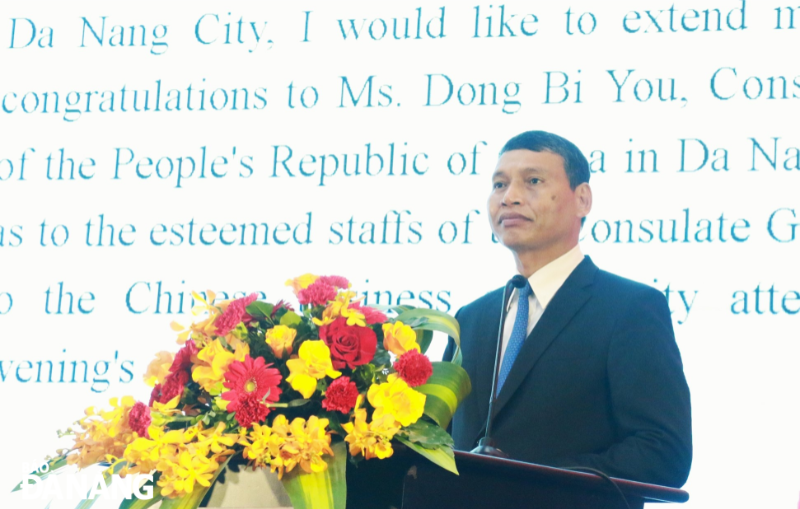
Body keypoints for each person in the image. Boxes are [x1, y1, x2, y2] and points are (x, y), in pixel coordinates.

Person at [444, 130, 692, 488]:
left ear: (583, 200)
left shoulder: (630, 309)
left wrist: (529, 482)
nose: (509, 197)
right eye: (499, 185)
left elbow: (662, 452)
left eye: (532, 181)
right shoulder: (470, 318)